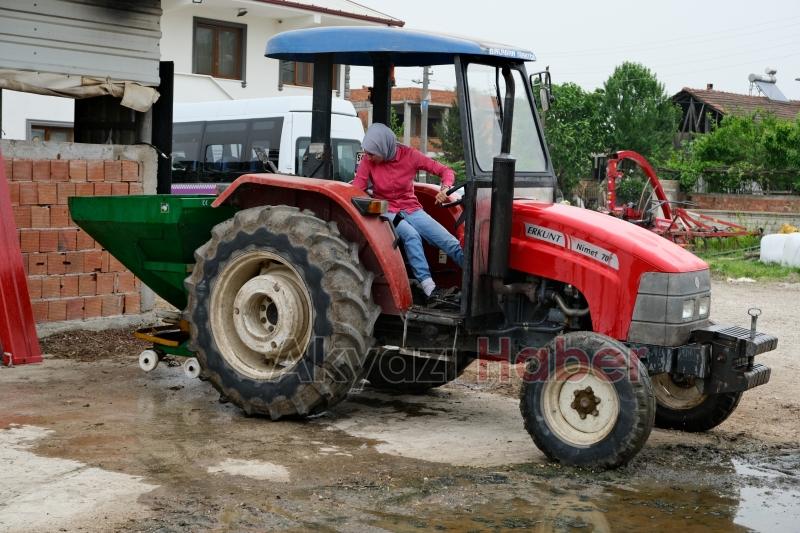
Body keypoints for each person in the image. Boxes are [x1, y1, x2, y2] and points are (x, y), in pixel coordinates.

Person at [353, 123, 464, 304]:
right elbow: (358, 186)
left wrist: (445, 188)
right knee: (411, 235)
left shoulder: (410, 155)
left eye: (372, 153)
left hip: (411, 208)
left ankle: (476, 281)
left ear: (384, 148)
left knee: (448, 241)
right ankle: (429, 288)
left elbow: (446, 171)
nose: (368, 157)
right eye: (367, 153)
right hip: (386, 210)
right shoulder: (368, 161)